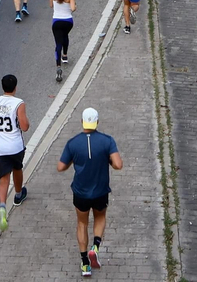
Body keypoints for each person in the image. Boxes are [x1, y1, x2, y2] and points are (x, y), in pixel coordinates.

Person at [57, 108, 123, 274]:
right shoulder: (107, 141)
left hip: (80, 192)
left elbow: (60, 167)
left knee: (82, 223)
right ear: (97, 123)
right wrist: (108, 160)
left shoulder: (72, 143)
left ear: (82, 122)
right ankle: (96, 245)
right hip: (100, 191)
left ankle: (85, 263)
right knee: (100, 217)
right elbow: (118, 165)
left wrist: (73, 161)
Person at [0, 74, 30, 232]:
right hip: (14, 146)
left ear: (2, 87)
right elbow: (24, 126)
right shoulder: (19, 103)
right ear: (15, 87)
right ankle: (18, 194)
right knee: (17, 168)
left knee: (3, 178)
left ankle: (2, 206)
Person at [50, 0, 76, 83]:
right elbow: (73, 8)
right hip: (68, 22)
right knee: (65, 35)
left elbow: (51, 5)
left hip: (56, 22)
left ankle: (58, 66)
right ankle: (65, 55)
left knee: (58, 43)